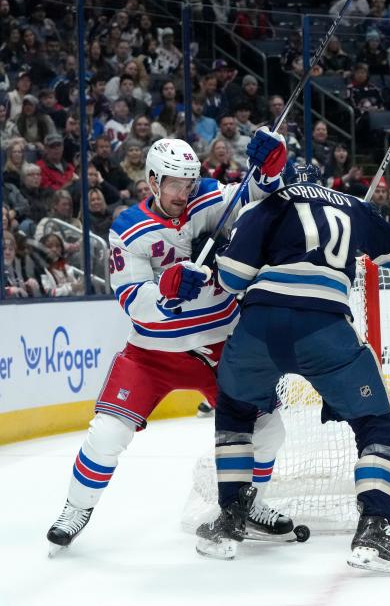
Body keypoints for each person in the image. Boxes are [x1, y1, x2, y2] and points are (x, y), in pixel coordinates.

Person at [46, 129, 291, 556]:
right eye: (176, 183)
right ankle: (75, 508)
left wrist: (271, 169)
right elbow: (131, 301)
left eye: (190, 182)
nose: (185, 192)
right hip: (152, 354)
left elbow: (255, 194)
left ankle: (251, 503)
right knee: (106, 433)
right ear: (153, 182)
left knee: (269, 428)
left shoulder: (211, 199)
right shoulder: (128, 229)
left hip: (219, 347)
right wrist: (167, 288)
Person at [197, 164, 390, 573]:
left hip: (259, 327)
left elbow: (232, 278)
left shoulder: (268, 202)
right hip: (324, 327)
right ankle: (373, 526)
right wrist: (364, 224)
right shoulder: (355, 206)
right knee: (379, 428)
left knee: (234, 413)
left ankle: (230, 517)